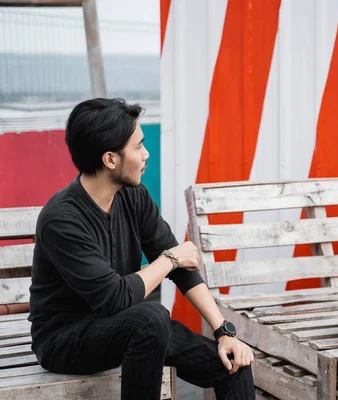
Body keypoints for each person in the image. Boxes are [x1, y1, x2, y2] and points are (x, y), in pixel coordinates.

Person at [28, 98, 255, 400]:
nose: (146, 155)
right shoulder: (61, 219)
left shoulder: (133, 196)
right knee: (151, 317)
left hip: (129, 325)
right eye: (138, 147)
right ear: (110, 159)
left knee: (234, 363)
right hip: (64, 339)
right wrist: (170, 259)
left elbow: (184, 269)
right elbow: (115, 297)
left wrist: (224, 332)